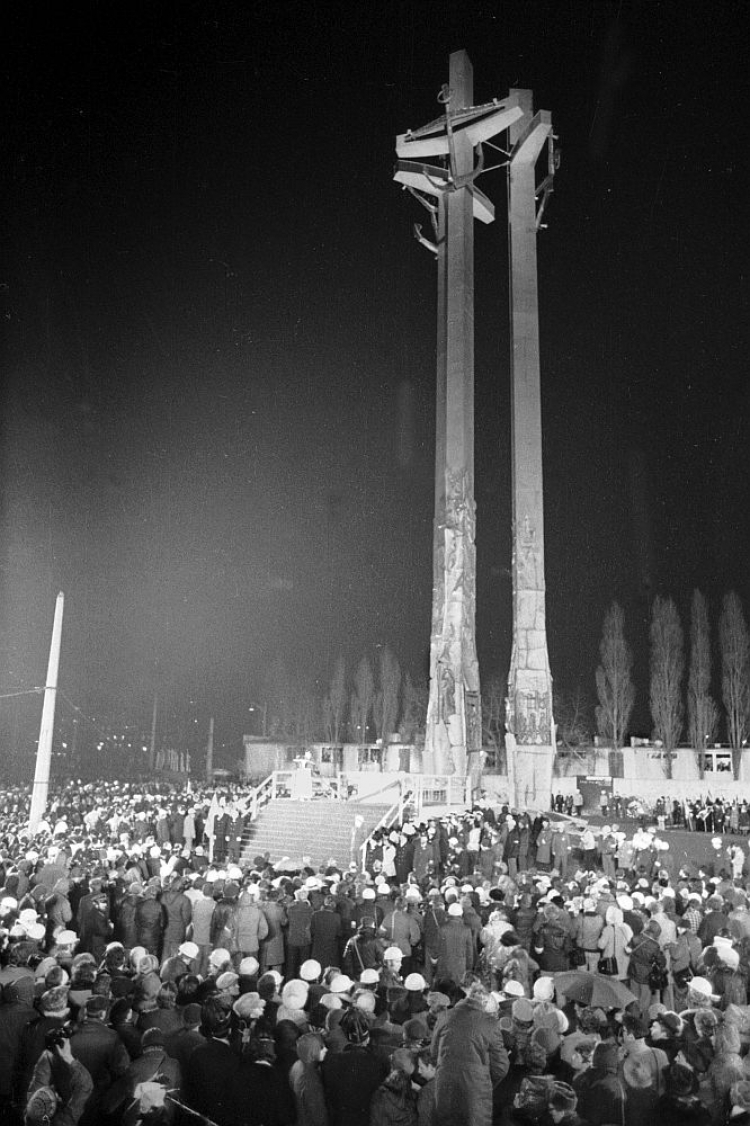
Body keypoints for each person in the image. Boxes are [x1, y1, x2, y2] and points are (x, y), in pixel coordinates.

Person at [432, 983, 509, 1126]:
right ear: (486, 1009)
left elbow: (434, 1053)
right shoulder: (489, 1023)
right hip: (475, 1092)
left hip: (445, 1085)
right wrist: (482, 1078)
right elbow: (501, 1067)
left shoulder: (444, 1017)